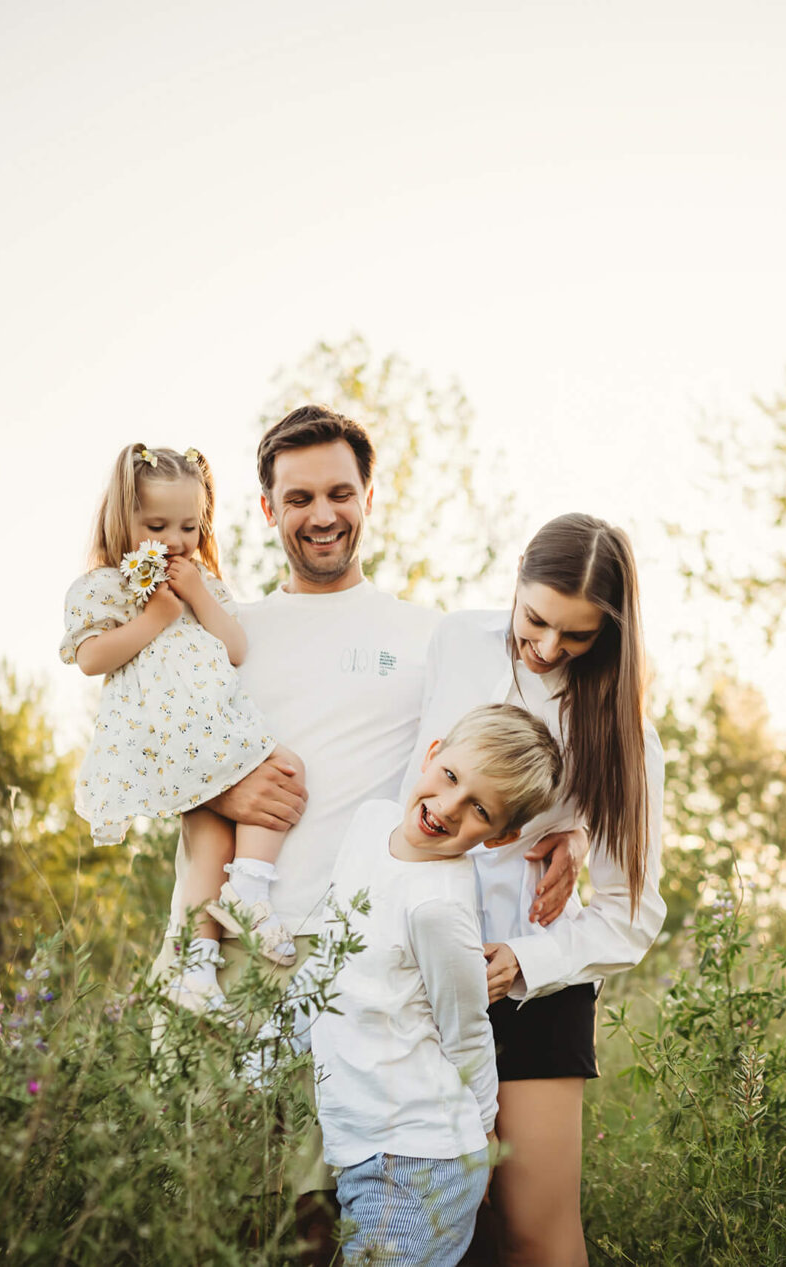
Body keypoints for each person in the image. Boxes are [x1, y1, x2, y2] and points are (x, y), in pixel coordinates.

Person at [147, 406, 583, 1263]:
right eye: (299, 495)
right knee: (249, 1219)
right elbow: (147, 752)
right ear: (267, 510)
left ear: (369, 497)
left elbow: (539, 717)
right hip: (240, 955)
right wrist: (227, 787)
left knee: (363, 1218)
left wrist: (575, 829)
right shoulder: (221, 631)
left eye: (340, 492)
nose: (322, 513)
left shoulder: (431, 636)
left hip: (366, 975)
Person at [410, 512, 667, 1267]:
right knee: (431, 1223)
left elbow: (630, 912)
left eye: (580, 635)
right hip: (415, 967)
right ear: (516, 576)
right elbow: (414, 779)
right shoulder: (455, 642)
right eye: (537, 620)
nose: (550, 647)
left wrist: (521, 960)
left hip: (532, 992)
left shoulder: (623, 733)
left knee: (532, 1231)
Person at [311, 704, 564, 1267]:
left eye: (479, 810)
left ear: (501, 837)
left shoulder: (438, 908)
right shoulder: (371, 823)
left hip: (417, 1160)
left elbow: (468, 1032)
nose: (447, 809)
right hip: (362, 1147)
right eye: (451, 777)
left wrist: (481, 1138)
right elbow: (333, 952)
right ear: (433, 755)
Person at [59, 443, 306, 1015]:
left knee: (212, 843)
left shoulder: (200, 583)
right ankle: (249, 889)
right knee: (281, 765)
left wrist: (196, 594)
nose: (174, 539)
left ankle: (196, 972)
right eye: (156, 525)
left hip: (211, 723)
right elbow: (93, 658)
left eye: (189, 526)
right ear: (124, 519)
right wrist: (155, 618)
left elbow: (237, 647)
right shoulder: (107, 588)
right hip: (169, 734)